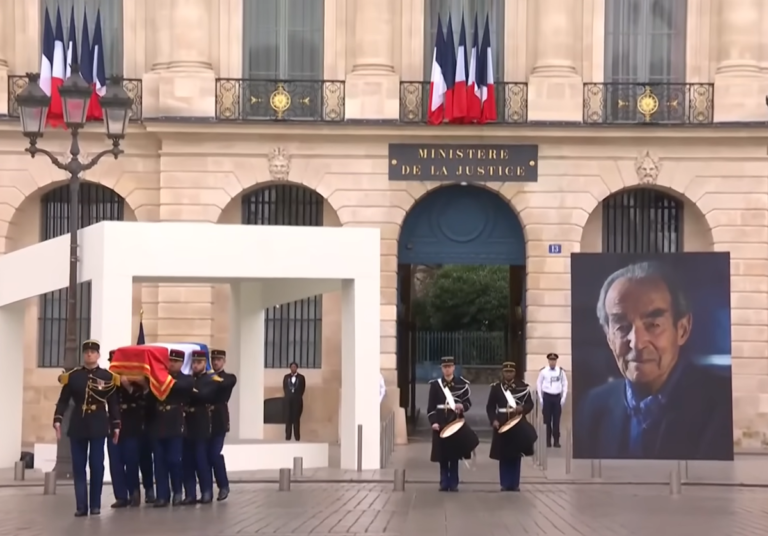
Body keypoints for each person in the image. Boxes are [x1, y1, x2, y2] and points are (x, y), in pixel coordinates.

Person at [574, 261, 734, 461]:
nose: (637, 343)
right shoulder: (592, 407)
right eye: (622, 327)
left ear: (682, 329)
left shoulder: (724, 407)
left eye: (653, 324)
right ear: (608, 336)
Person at [53, 340, 120, 517]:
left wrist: (116, 425)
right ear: (83, 355)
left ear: (98, 355)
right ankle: (81, 506)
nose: (89, 354)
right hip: (78, 424)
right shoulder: (73, 376)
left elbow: (113, 404)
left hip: (98, 423)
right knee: (78, 466)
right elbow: (63, 400)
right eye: (87, 352)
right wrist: (57, 419)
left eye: (93, 352)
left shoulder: (108, 377)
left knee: (97, 465)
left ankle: (95, 504)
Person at [147, 348, 194, 507]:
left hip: (175, 424)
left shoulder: (186, 380)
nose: (172, 364)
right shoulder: (157, 379)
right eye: (170, 361)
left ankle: (177, 491)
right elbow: (149, 399)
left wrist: (160, 379)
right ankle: (162, 496)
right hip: (158, 423)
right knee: (159, 462)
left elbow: (180, 388)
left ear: (181, 363)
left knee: (174, 460)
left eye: (175, 361)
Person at [426, 356, 477, 492]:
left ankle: (454, 482)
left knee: (454, 454)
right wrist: (434, 422)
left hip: (455, 422)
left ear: (454, 368)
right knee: (442, 454)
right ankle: (444, 482)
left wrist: (462, 407)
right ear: (442, 369)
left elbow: (468, 403)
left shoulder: (461, 384)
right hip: (441, 422)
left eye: (449, 366)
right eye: (445, 367)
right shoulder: (435, 385)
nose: (447, 369)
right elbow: (431, 407)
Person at [107, 350, 150, 508]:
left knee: (131, 460)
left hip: (131, 423)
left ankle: (134, 492)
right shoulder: (108, 381)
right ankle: (121, 496)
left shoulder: (135, 381)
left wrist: (128, 386)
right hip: (113, 423)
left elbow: (144, 400)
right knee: (115, 462)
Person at [487, 362, 536, 492]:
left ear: (514, 373)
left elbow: (530, 404)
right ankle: (504, 483)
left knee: (516, 454)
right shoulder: (497, 388)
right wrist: (493, 420)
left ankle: (514, 483)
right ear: (503, 373)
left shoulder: (522, 387)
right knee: (503, 454)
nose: (508, 374)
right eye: (506, 372)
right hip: (502, 422)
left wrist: (523, 408)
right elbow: (490, 407)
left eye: (511, 372)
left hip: (517, 422)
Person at [181, 350, 221, 505]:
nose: (195, 365)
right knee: (187, 461)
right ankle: (190, 493)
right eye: (194, 363)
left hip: (201, 421)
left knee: (201, 459)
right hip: (187, 422)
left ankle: (206, 492)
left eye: (198, 363)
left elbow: (205, 396)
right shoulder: (190, 379)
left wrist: (189, 390)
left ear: (205, 363)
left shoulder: (211, 380)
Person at [209, 349, 237, 501]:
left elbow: (224, 385)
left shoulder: (228, 377)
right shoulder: (206, 378)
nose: (215, 362)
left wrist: (210, 378)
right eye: (213, 359)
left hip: (219, 419)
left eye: (218, 359)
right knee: (204, 455)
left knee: (214, 454)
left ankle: (223, 486)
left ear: (224, 361)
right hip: (203, 420)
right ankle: (207, 490)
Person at [536, 353, 568, 448]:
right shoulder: (544, 371)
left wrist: (564, 397)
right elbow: (539, 383)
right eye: (551, 360)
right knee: (547, 420)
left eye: (554, 360)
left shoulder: (561, 371)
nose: (552, 362)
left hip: (556, 397)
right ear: (548, 361)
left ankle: (556, 441)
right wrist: (540, 398)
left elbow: (565, 384)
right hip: (547, 397)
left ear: (556, 361)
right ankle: (547, 441)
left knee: (556, 420)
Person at [283, 362, 305, 441]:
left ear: (297, 368)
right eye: (292, 367)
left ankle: (297, 437)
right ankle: (287, 437)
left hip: (297, 401)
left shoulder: (301, 377)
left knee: (296, 419)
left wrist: (297, 396)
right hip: (288, 401)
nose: (293, 368)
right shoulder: (286, 377)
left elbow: (303, 389)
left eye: (295, 367)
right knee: (288, 419)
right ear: (290, 368)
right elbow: (284, 387)